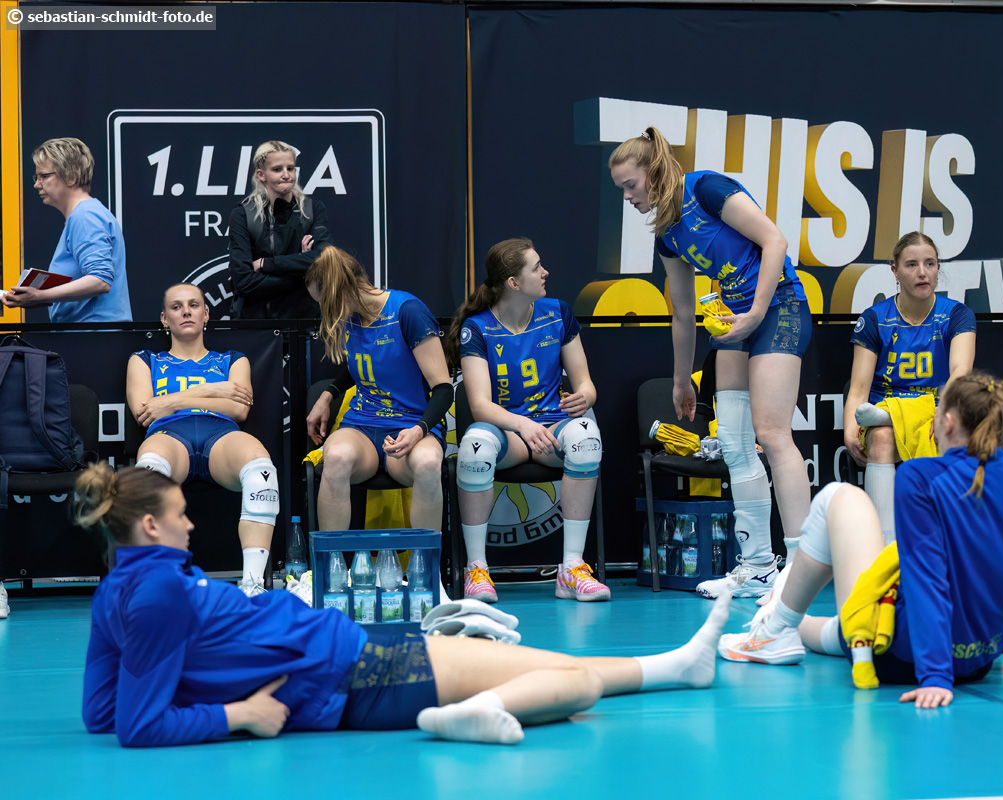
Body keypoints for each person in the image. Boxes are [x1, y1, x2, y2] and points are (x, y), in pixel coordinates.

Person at [75, 462, 732, 747]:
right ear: (151, 526)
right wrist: (238, 714)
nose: (191, 524)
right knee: (574, 684)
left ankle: (677, 666)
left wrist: (217, 691)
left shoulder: (124, 586)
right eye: (181, 515)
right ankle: (476, 713)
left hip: (342, 659)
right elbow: (138, 726)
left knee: (552, 668)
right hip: (349, 673)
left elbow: (101, 712)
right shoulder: (157, 591)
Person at [717, 372, 1003, 707]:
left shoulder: (920, 475)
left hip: (904, 654)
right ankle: (778, 620)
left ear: (948, 422)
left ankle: (776, 625)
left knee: (841, 498)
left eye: (935, 414)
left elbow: (928, 581)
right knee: (833, 626)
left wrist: (935, 676)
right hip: (978, 662)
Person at [610, 127, 812, 600]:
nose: (627, 197)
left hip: (778, 308)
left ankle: (801, 568)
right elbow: (682, 312)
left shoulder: (707, 189)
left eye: (630, 185)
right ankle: (757, 565)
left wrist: (755, 313)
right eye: (621, 189)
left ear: (653, 171)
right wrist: (682, 380)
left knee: (772, 434)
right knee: (735, 443)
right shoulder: (667, 235)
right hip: (734, 323)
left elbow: (775, 241)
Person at [446, 238, 608, 603]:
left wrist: (586, 396)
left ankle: (572, 568)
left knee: (587, 438)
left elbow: (585, 384)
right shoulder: (477, 328)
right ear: (513, 283)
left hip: (553, 430)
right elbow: (480, 406)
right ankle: (476, 569)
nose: (545, 272)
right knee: (474, 447)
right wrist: (522, 425)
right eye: (536, 268)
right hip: (511, 435)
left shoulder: (558, 313)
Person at [844, 231, 1003, 544]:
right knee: (880, 435)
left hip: (943, 410)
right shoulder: (875, 319)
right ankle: (885, 548)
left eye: (930, 263)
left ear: (937, 268)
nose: (922, 272)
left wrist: (944, 411)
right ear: (895, 270)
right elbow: (858, 389)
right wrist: (849, 431)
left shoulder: (957, 314)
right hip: (888, 413)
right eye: (912, 265)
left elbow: (960, 372)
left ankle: (966, 518)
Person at [126, 283, 279, 597]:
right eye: (176, 307)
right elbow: (145, 413)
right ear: (164, 318)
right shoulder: (144, 360)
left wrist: (171, 401)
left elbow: (239, 409)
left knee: (262, 471)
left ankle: (252, 584)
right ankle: (154, 582)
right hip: (169, 436)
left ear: (206, 314)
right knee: (149, 472)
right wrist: (215, 390)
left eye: (194, 305)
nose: (186, 312)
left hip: (220, 436)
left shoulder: (233, 360)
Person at [304, 247, 451, 538]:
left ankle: (425, 564)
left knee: (427, 463)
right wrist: (328, 394)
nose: (324, 312)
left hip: (412, 425)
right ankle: (331, 561)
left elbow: (444, 390)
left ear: (339, 293)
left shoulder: (407, 312)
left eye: (324, 303)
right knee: (335, 457)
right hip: (362, 424)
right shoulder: (352, 315)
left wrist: (418, 431)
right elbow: (364, 364)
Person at [2, 138, 130, 322]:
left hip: (93, 334)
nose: (37, 184)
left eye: (44, 176)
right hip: (91, 333)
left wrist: (40, 296)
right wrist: (38, 296)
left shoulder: (85, 216)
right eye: (37, 177)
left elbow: (100, 281)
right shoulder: (86, 214)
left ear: (71, 177)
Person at [227, 141, 332, 320]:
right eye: (277, 169)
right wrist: (303, 274)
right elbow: (243, 282)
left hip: (303, 322)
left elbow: (325, 259)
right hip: (255, 325)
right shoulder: (243, 214)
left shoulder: (313, 210)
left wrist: (265, 264)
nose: (286, 175)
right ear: (261, 175)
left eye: (290, 168)